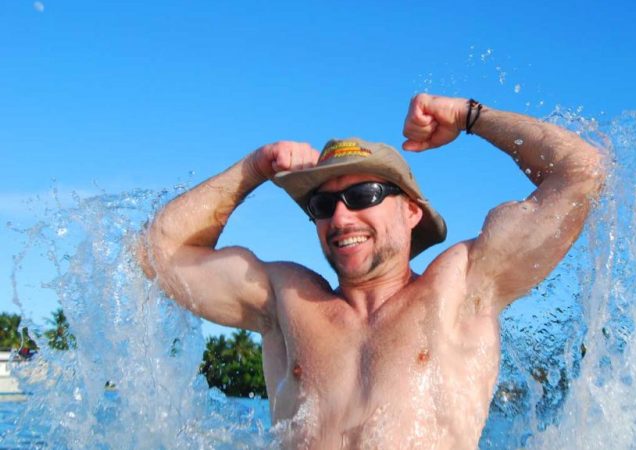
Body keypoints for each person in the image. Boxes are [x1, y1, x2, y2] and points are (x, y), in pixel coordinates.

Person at [140, 93, 604, 449]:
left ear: (412, 213)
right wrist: (254, 169)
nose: (341, 219)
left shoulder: (463, 286)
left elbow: (581, 172)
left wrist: (469, 117)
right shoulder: (285, 299)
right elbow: (158, 253)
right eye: (323, 204)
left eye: (364, 196)